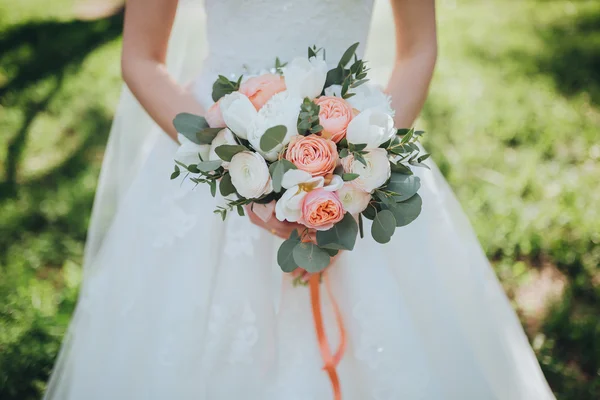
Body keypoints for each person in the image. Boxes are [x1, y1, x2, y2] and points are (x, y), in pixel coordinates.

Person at [44, 1, 556, 399]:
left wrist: (361, 164)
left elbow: (418, 48)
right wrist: (237, 163)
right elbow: (141, 58)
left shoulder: (361, 162)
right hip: (214, 151)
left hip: (358, 154)